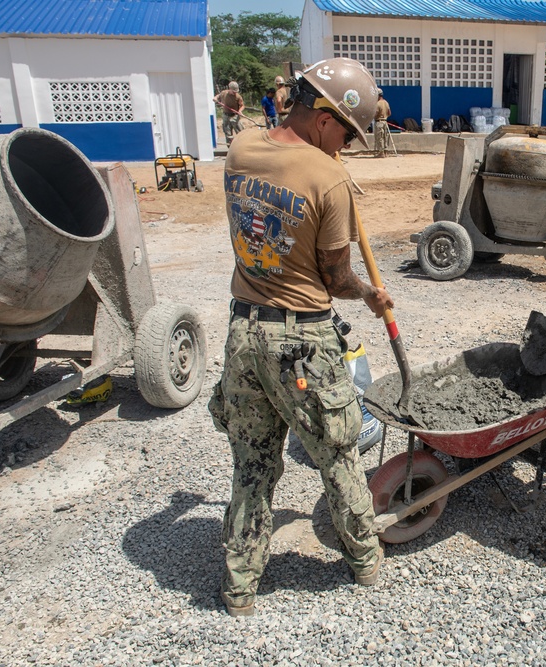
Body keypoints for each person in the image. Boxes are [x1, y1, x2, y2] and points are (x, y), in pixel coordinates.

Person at [208, 57, 390, 616]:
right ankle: (366, 563)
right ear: (325, 117)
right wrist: (371, 295)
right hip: (303, 342)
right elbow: (335, 279)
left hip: (243, 330)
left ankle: (239, 589)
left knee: (253, 464)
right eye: (347, 134)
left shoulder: (240, 150)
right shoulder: (327, 178)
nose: (349, 147)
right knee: (337, 453)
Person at [214, 81, 245, 145]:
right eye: (233, 91)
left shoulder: (238, 97)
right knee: (228, 133)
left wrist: (240, 111)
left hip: (234, 116)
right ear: (229, 88)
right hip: (226, 116)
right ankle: (230, 147)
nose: (234, 93)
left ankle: (242, 146)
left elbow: (242, 105)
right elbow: (218, 96)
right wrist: (215, 98)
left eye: (236, 91)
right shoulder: (224, 93)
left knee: (240, 132)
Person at [373, 90, 391, 157]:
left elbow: (376, 113)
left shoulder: (378, 104)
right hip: (385, 122)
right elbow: (389, 113)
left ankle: (381, 152)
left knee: (379, 137)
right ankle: (386, 152)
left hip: (379, 122)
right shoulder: (386, 103)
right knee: (385, 137)